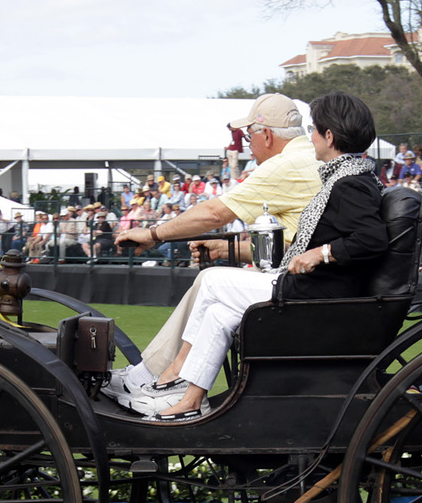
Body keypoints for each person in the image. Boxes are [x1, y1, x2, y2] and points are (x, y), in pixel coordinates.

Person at [143, 92, 387, 420]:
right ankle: (190, 400)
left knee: (212, 281)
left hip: (315, 292)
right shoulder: (349, 176)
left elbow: (371, 239)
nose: (310, 136)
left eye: (315, 130)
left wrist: (321, 253)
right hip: (315, 286)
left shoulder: (350, 183)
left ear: (329, 137)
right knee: (218, 314)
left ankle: (173, 375)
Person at [108, 93, 323, 401]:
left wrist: (154, 234)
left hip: (305, 285)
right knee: (215, 295)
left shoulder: (285, 164)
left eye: (249, 135)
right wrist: (226, 251)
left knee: (210, 280)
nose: (248, 143)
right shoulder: (306, 157)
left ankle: (158, 377)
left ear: (267, 135)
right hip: (308, 276)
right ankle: (165, 381)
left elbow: (215, 213)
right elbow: (293, 247)